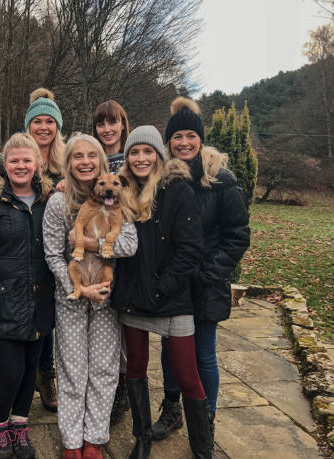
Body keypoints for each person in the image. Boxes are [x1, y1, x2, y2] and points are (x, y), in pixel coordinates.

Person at [152, 97, 250, 452]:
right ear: (169, 141)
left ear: (200, 139)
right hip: (172, 282)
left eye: (190, 135)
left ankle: (205, 418)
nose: (184, 143)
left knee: (203, 353)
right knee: (169, 349)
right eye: (177, 137)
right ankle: (173, 408)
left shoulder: (221, 180)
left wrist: (210, 272)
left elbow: (238, 234)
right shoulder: (161, 179)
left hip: (206, 283)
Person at [111, 125, 211, 459]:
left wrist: (161, 289)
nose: (140, 158)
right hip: (133, 298)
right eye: (134, 152)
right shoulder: (121, 189)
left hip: (172, 298)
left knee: (187, 375)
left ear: (158, 154)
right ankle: (142, 438)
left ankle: (203, 448)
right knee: (136, 368)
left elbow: (190, 250)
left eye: (147, 151)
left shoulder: (177, 189)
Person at [43, 133, 138, 459]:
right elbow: (53, 254)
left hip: (106, 297)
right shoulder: (58, 203)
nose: (84, 161)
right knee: (71, 370)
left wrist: (94, 247)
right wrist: (78, 289)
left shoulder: (118, 200)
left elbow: (129, 244)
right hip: (71, 296)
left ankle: (94, 438)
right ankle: (71, 441)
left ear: (100, 162)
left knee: (104, 369)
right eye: (77, 156)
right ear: (68, 163)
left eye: (91, 156)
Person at [0, 87, 65, 413]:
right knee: (10, 337)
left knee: (43, 329)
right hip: (12, 259)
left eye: (49, 122)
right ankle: (1, 382)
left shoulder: (63, 161)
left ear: (56, 126)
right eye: (37, 121)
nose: (43, 127)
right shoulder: (10, 157)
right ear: (28, 126)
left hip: (46, 257)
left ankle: (44, 377)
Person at [0, 133, 55, 459]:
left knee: (31, 367)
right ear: (5, 164)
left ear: (38, 164)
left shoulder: (49, 201)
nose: (20, 166)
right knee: (10, 371)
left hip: (40, 303)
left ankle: (20, 425)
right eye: (14, 160)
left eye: (26, 160)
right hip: (3, 303)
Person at [91, 100, 132, 426]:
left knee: (126, 324)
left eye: (112, 122)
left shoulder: (134, 158)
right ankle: (105, 388)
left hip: (129, 249)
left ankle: (123, 391)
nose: (107, 129)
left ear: (122, 124)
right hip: (97, 254)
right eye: (101, 124)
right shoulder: (95, 160)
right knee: (106, 323)